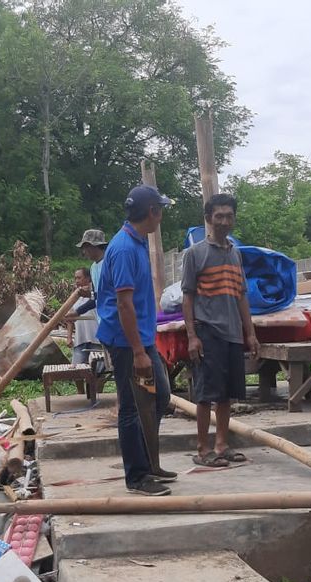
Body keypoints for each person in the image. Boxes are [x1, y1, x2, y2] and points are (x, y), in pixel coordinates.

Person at [97, 185, 178, 496]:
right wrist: (137, 351)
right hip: (125, 343)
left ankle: (150, 462)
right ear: (152, 212)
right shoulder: (124, 249)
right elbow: (123, 304)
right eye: (161, 210)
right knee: (131, 407)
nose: (162, 217)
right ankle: (137, 476)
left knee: (158, 398)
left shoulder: (137, 241)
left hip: (141, 339)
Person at [182, 193, 260, 467]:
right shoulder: (195, 254)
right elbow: (188, 298)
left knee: (226, 393)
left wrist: (250, 333)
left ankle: (222, 445)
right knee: (205, 394)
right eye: (219, 216)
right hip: (208, 332)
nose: (224, 221)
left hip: (232, 333)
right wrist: (192, 336)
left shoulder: (235, 253)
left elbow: (241, 295)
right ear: (208, 219)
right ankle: (203, 450)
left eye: (229, 215)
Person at [67, 267, 100, 368]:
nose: (77, 281)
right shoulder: (74, 297)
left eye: (79, 278)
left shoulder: (95, 295)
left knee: (98, 372)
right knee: (75, 370)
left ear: (88, 278)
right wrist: (69, 337)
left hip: (96, 340)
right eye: (75, 278)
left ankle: (94, 384)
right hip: (80, 339)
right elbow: (70, 318)